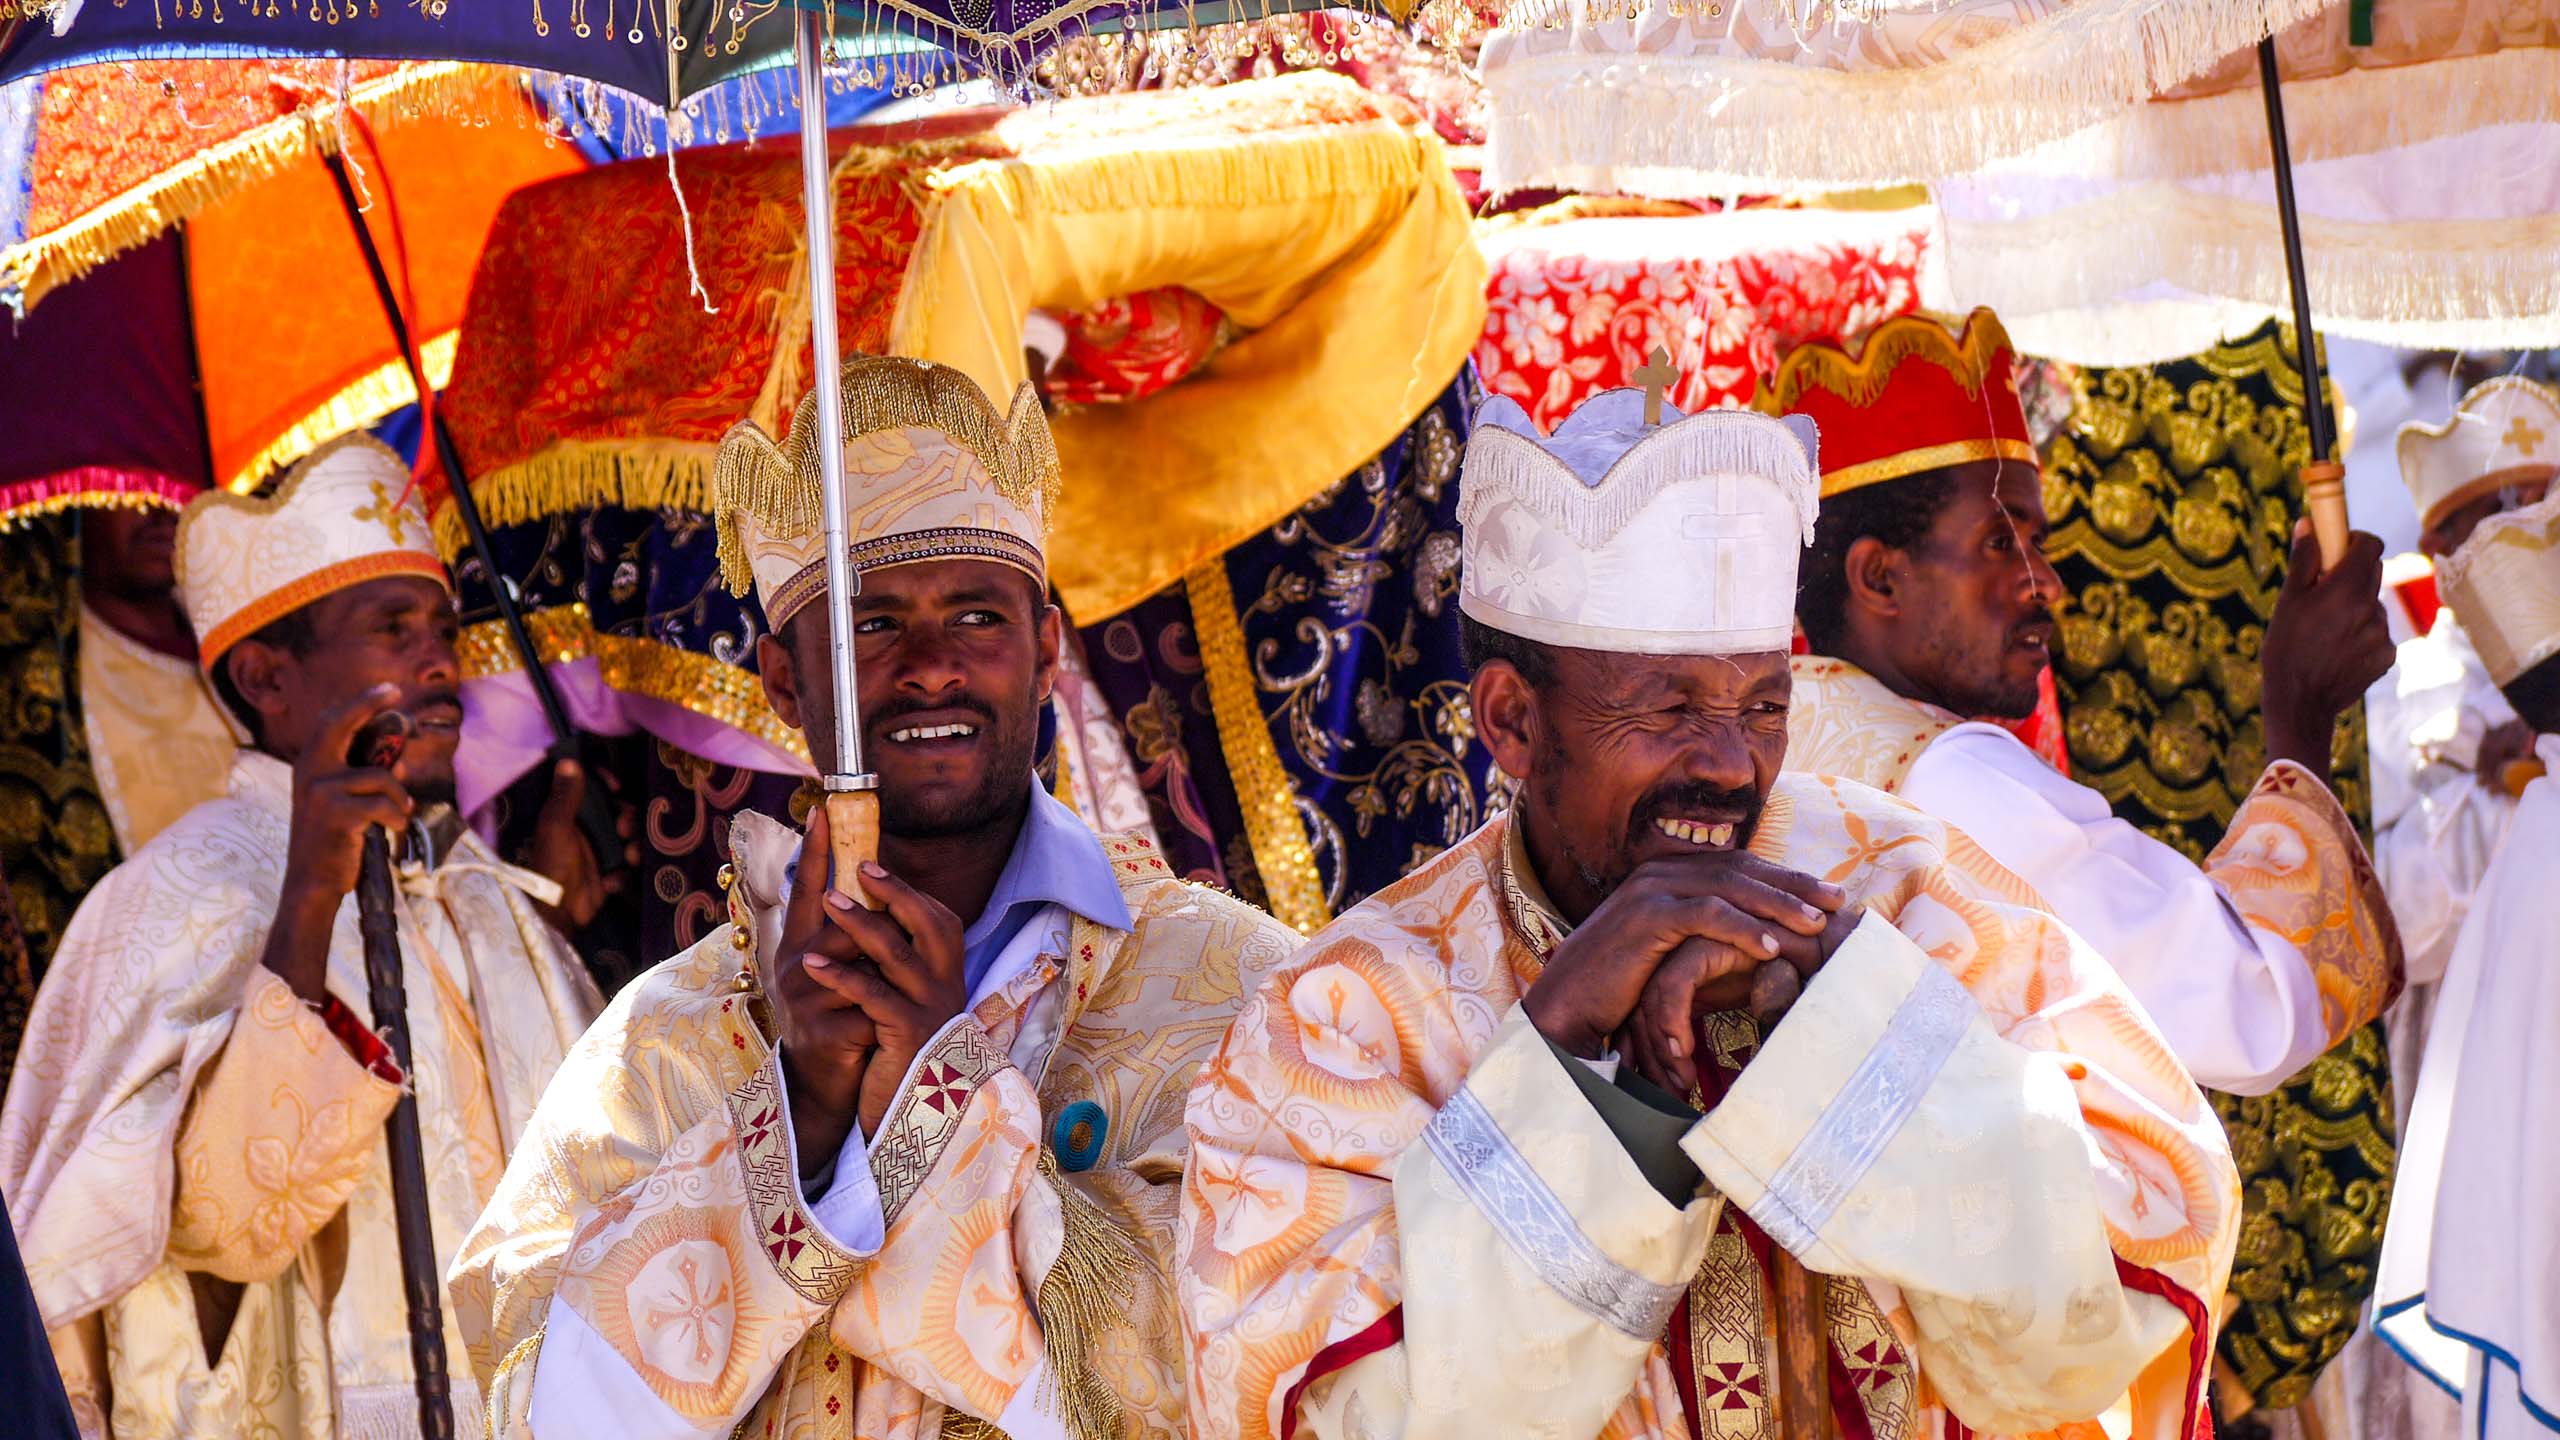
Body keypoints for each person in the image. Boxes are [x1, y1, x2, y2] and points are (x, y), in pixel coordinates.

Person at [1180, 386, 2241, 1440]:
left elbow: (2130, 1299)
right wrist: (1572, 1076)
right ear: (1510, 718)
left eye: (1764, 708)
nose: (1732, 766)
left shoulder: (1912, 893)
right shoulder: (1350, 1019)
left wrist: (1859, 1024)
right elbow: (1348, 1419)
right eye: (1669, 708)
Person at [448, 356, 1302, 1440]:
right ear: (783, 680)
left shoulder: (1240, 994)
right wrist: (796, 1110)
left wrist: (935, 1098)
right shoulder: (663, 1042)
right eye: (869, 624)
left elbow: (1260, 1373)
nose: (932, 666)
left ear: (1048, 649)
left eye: (980, 618)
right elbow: (539, 1410)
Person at [0, 434, 604, 1438]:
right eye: (392, 627)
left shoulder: (479, 892)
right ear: (267, 679)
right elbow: (222, 1224)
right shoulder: (175, 896)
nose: (438, 659)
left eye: (443, 625)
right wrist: (315, 896)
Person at [1771, 309, 2401, 1097]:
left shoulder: (1778, 738)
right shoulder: (1951, 780)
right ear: (1880, 579)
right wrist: (2300, 712)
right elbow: (2249, 1006)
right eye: (2002, 543)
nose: (2046, 583)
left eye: (2038, 545)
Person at [2375, 489, 2560, 1440]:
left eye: (2537, 497)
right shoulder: (2412, 684)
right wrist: (2479, 790)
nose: (2523, 512)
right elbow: (2397, 917)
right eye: (2497, 505)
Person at [2368, 377, 2553, 999]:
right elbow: (2390, 918)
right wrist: (2506, 792)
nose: (2536, 530)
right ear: (2439, 548)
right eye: (2507, 505)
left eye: (2552, 503)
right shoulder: (2398, 694)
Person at [74, 502, 239, 854]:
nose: (162, 512)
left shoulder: (242, 649)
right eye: (129, 487)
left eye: (171, 489)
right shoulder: (52, 674)